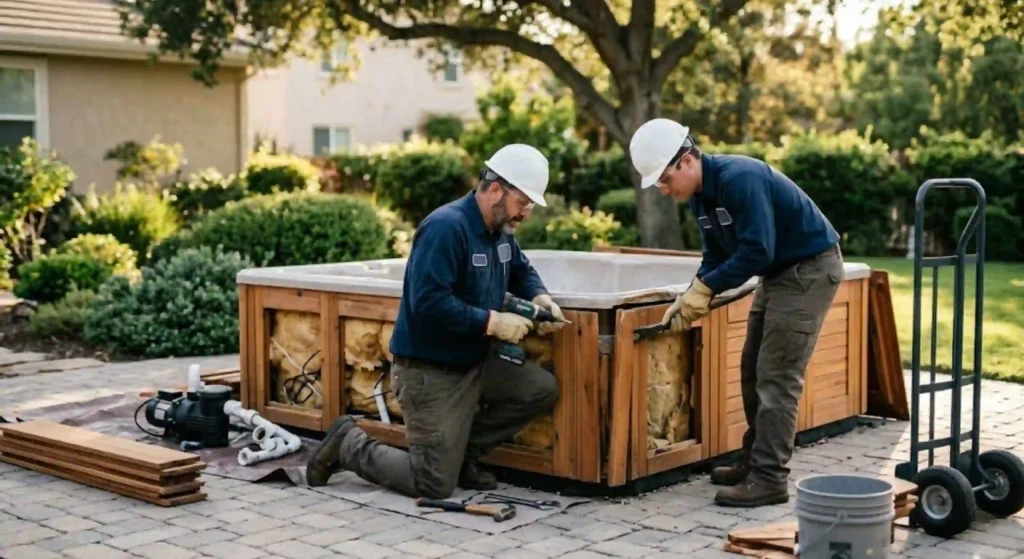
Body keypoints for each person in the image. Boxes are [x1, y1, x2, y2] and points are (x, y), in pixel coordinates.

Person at [305, 144, 562, 498]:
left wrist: (540, 297)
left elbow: (521, 269)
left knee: (539, 389)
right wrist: (493, 323)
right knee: (433, 484)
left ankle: (465, 458)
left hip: (476, 362)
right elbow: (427, 302)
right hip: (431, 372)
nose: (526, 213)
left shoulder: (500, 231)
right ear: (497, 190)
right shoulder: (446, 228)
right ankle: (348, 443)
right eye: (524, 202)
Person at [629, 118, 844, 508]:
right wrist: (693, 292)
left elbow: (758, 249)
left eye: (663, 179)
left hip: (809, 269)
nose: (662, 189)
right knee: (751, 368)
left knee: (776, 377)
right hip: (779, 275)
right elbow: (716, 254)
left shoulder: (739, 178)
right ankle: (755, 457)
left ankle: (769, 478)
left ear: (687, 159)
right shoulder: (700, 197)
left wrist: (706, 288)